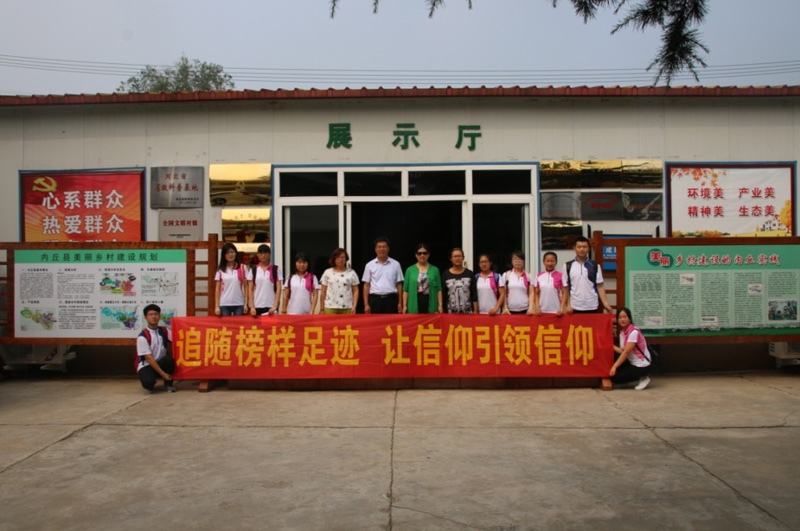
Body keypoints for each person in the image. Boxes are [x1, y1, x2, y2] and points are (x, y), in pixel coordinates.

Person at [562, 236, 613, 314]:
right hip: (574, 307)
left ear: (588, 249)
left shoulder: (595, 265)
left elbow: (600, 286)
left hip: (592, 305)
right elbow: (565, 287)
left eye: (584, 247)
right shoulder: (567, 265)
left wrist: (606, 304)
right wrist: (568, 304)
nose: (582, 249)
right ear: (574, 249)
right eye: (579, 247)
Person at [136, 304, 176, 393]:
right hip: (147, 365)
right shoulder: (142, 337)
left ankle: (168, 384)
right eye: (150, 314)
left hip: (161, 362)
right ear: (146, 317)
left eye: (156, 314)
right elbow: (149, 358)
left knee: (169, 360)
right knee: (148, 383)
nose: (153, 317)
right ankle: (152, 379)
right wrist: (163, 374)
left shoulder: (164, 331)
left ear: (159, 316)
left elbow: (177, 340)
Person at [610, 307, 652, 390]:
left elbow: (626, 352)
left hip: (642, 365)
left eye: (625, 317)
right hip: (632, 362)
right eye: (620, 317)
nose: (622, 319)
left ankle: (643, 377)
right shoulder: (622, 333)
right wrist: (610, 345)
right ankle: (629, 378)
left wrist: (614, 367)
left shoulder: (634, 332)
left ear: (629, 319)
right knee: (614, 375)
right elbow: (622, 351)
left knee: (616, 377)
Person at [362, 236, 404, 314]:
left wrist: (400, 302)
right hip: (375, 300)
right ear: (375, 249)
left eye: (384, 247)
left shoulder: (396, 264)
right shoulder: (369, 265)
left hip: (391, 300)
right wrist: (366, 304)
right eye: (379, 247)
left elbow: (399, 284)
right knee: (375, 321)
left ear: (388, 248)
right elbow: (366, 285)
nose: (381, 249)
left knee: (391, 321)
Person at [402, 243, 443, 314]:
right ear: (416, 255)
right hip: (414, 301)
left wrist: (440, 305)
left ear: (428, 254)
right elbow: (405, 290)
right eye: (419, 253)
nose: (422, 255)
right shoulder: (409, 270)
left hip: (430, 301)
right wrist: (404, 306)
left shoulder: (435, 270)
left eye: (425, 253)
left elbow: (439, 290)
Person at [320, 248, 360, 315]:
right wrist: (322, 308)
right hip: (330, 307)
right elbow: (323, 291)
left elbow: (356, 290)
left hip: (347, 307)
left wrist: (354, 306)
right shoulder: (327, 272)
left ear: (346, 259)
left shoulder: (352, 273)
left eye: (343, 257)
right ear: (334, 259)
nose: (340, 259)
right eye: (338, 257)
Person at [215, 242, 251, 316]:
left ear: (236, 253)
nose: (230, 255)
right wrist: (217, 306)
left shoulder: (242, 267)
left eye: (232, 252)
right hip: (224, 303)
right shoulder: (220, 269)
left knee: (238, 323)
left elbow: (246, 287)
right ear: (224, 255)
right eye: (227, 253)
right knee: (226, 323)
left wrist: (246, 303)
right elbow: (217, 289)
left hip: (239, 303)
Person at [249, 244, 283, 316]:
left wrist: (275, 306)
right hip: (257, 305)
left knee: (272, 324)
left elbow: (278, 289)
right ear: (258, 255)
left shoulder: (275, 269)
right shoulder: (254, 269)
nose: (263, 255)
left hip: (271, 306)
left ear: (270, 254)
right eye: (261, 253)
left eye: (265, 253)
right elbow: (250, 289)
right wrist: (252, 307)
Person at [442, 247, 478, 314]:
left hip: (468, 313)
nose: (457, 258)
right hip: (450, 313)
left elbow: (474, 294)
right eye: (455, 256)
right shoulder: (446, 275)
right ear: (451, 259)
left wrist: (475, 311)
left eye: (459, 256)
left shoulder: (469, 274)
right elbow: (443, 295)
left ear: (463, 258)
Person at [502, 250, 534, 315]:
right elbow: (503, 293)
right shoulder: (506, 275)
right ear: (511, 261)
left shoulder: (528, 276)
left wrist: (531, 308)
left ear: (523, 261)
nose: (517, 261)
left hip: (525, 310)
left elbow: (532, 293)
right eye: (515, 259)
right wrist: (505, 308)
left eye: (520, 259)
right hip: (510, 310)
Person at [534, 251, 565, 316]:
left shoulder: (561, 275)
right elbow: (536, 293)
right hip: (541, 311)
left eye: (552, 261)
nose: (550, 263)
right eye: (547, 261)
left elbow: (564, 293)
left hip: (556, 311)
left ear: (556, 262)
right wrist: (537, 307)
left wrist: (561, 308)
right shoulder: (538, 276)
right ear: (543, 262)